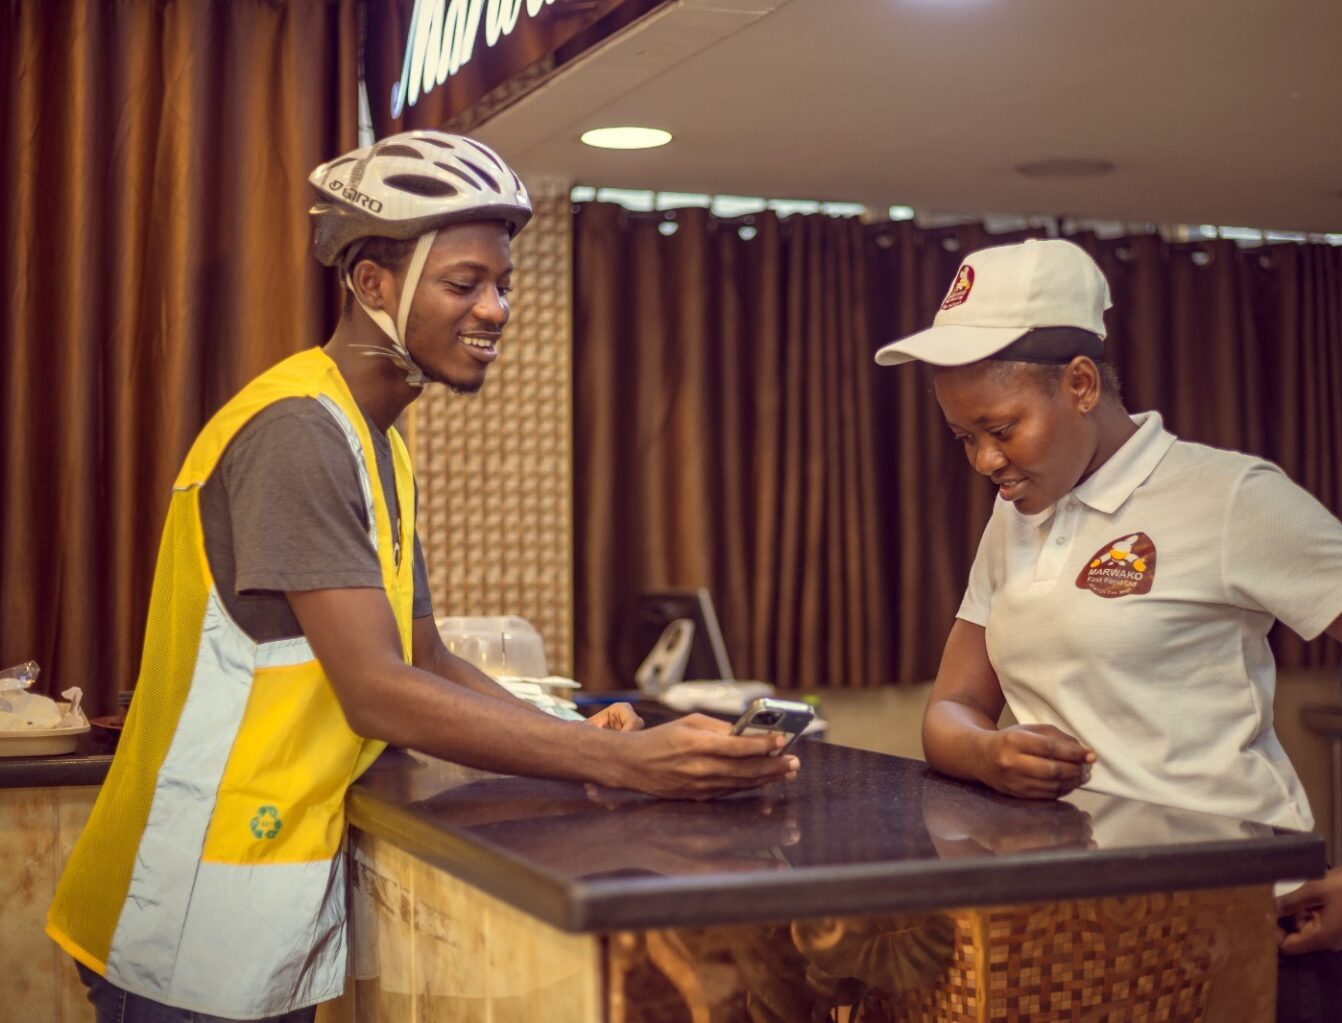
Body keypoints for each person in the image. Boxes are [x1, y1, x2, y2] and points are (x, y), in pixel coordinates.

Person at [47, 130, 798, 1023]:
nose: (496, 309)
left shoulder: (378, 446)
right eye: (465, 283)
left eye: (504, 285)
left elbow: (426, 655)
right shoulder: (297, 432)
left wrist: (575, 738)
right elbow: (377, 690)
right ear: (373, 286)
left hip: (249, 912)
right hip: (179, 919)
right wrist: (620, 761)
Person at [873, 238, 1342, 1022]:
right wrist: (988, 753)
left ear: (1082, 384)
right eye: (964, 437)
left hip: (1241, 929)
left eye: (1001, 427)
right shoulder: (1014, 517)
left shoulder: (1228, 497)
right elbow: (948, 709)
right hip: (1085, 931)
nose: (985, 459)